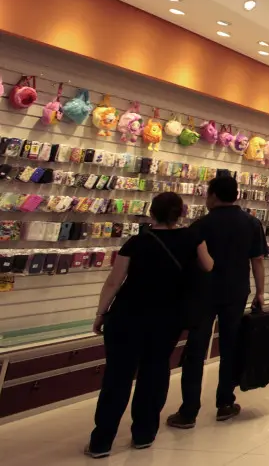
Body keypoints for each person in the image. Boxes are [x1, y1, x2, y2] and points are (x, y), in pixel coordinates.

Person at [85, 193, 213, 458]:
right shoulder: (192, 238)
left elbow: (114, 281)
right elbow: (209, 266)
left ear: (151, 212)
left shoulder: (137, 242)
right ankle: (143, 434)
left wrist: (100, 313)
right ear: (180, 213)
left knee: (117, 378)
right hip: (168, 317)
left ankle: (102, 441)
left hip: (128, 315)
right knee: (154, 374)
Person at [169, 175, 267, 430]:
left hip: (203, 293)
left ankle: (188, 411)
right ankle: (225, 402)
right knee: (230, 347)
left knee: (196, 351)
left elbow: (189, 263)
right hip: (237, 292)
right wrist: (260, 292)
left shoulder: (201, 225)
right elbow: (257, 260)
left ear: (213, 195)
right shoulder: (252, 223)